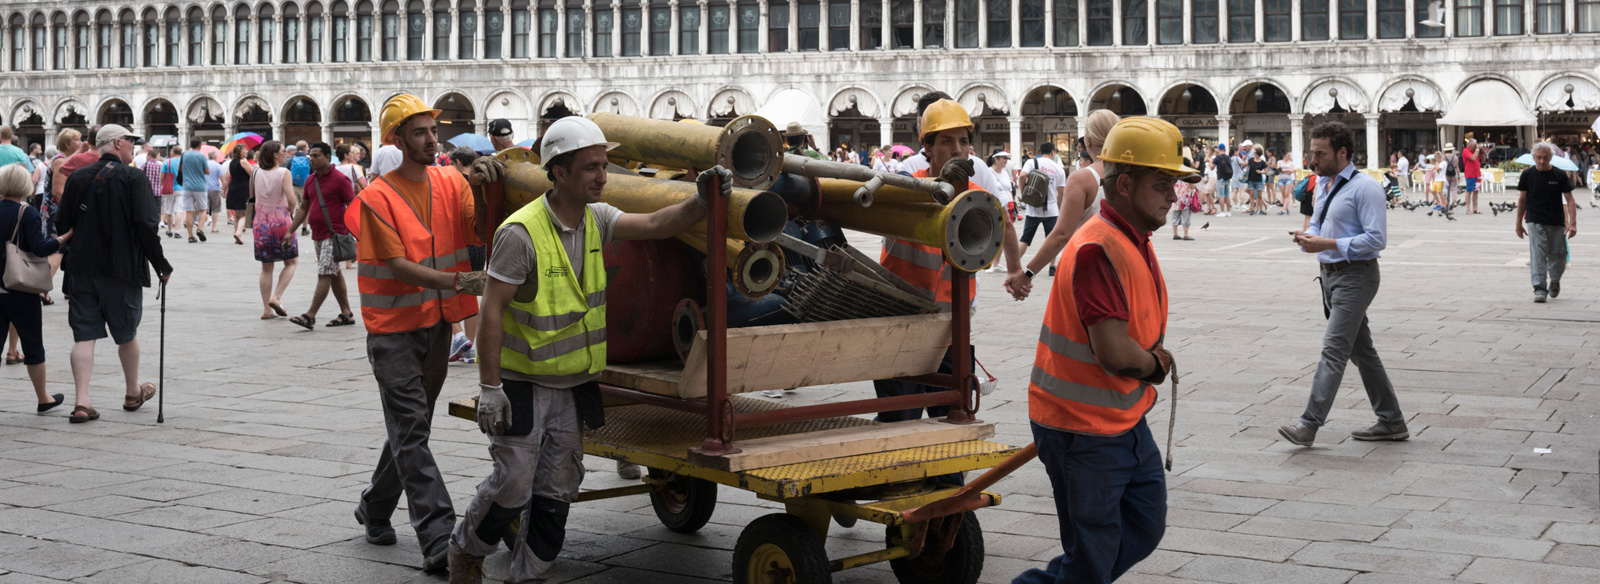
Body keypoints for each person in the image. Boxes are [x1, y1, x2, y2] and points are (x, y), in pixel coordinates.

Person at [447, 116, 723, 584]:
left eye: (604, 166)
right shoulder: (521, 232)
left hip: (574, 384)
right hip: (523, 383)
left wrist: (700, 199)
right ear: (559, 172)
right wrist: (490, 388)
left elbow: (657, 223)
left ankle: (529, 575)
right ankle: (466, 551)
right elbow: (491, 310)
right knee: (512, 486)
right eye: (591, 167)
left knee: (558, 491)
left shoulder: (598, 218)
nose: (602, 176)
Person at [1018, 117, 1196, 584]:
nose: (1173, 196)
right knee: (1092, 555)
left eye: (1173, 185)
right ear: (1126, 185)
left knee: (1143, 525)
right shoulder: (1099, 247)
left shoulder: (1131, 237)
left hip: (1122, 415)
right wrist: (1155, 364)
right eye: (1162, 185)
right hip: (1082, 426)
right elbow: (1114, 353)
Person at [345, 93, 495, 573]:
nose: (432, 140)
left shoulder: (451, 181)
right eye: (420, 133)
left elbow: (478, 227)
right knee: (411, 428)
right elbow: (398, 266)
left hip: (437, 325)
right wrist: (461, 282)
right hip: (392, 331)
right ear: (398, 141)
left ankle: (374, 506)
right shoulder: (377, 198)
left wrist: (489, 190)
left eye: (433, 131)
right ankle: (437, 536)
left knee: (410, 429)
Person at [871, 99, 1022, 426]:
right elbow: (884, 202)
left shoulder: (979, 197)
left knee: (953, 419)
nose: (957, 149)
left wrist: (1015, 269)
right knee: (900, 421)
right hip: (902, 323)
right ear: (927, 147)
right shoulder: (905, 184)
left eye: (963, 141)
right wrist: (938, 188)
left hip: (951, 329)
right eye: (946, 141)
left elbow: (1001, 227)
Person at [1278, 121, 1407, 447]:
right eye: (1312, 153)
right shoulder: (1323, 184)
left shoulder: (1366, 188)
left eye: (1320, 154)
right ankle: (1392, 420)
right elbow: (1320, 225)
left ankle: (1308, 424)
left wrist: (1328, 244)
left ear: (1342, 152)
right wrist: (1309, 237)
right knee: (1362, 352)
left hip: (1357, 275)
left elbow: (1376, 239)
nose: (1313, 160)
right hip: (1330, 276)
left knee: (1334, 350)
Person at [55, 124, 173, 424]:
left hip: (81, 268)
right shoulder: (133, 177)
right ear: (118, 143)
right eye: (131, 142)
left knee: (84, 334)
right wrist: (160, 264)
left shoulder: (77, 177)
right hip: (122, 268)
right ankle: (132, 392)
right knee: (126, 332)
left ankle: (82, 402)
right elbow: (146, 225)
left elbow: (62, 223)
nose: (134, 147)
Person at [1006, 110, 1119, 298]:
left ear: (1088, 141)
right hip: (1127, 264)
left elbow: (1062, 235)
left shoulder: (1082, 178)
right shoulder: (1131, 174)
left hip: (1091, 269)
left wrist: (1027, 274)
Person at [0, 164, 70, 414]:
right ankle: (43, 397)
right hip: (20, 289)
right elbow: (40, 248)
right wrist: (63, 238)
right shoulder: (26, 212)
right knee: (32, 345)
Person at [287, 142, 356, 329]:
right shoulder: (310, 180)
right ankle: (346, 313)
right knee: (334, 272)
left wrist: (356, 232)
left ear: (327, 157)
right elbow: (303, 208)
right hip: (318, 235)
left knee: (325, 272)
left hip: (334, 235)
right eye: (311, 156)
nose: (312, 159)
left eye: (316, 156)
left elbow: (353, 205)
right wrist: (290, 231)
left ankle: (310, 315)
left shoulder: (340, 180)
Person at [1515, 142, 1577, 303]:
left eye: (1545, 158)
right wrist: (1518, 224)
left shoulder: (1559, 175)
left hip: (1556, 221)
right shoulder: (1527, 175)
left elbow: (1570, 200)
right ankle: (1540, 288)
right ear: (1533, 157)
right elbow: (1522, 200)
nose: (1542, 161)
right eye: (1538, 157)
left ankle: (1555, 280)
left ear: (1551, 157)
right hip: (1534, 220)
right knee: (1538, 254)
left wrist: (1573, 223)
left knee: (1559, 254)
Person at [251, 141, 299, 320]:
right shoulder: (284, 173)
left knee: (266, 267)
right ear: (275, 155)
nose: (286, 153)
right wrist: (291, 212)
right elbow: (292, 199)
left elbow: (252, 197)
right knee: (291, 262)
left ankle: (266, 309)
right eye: (283, 151)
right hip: (281, 222)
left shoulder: (255, 172)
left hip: (261, 223)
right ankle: (276, 297)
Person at [447, 146, 485, 363]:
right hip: (478, 244)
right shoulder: (480, 180)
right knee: (470, 293)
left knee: (448, 290)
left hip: (458, 241)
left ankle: (458, 334)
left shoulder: (453, 182)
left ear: (459, 162)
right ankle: (469, 346)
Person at [1017, 142, 1067, 275]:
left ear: (1040, 152)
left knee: (1025, 239)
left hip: (1033, 208)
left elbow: (1022, 176)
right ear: (1053, 152)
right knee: (1052, 240)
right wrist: (1059, 209)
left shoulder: (1032, 162)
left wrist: (1023, 193)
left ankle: (1014, 265)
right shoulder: (1058, 169)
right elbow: (1061, 193)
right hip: (1051, 210)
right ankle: (1052, 267)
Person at [986, 149, 1016, 274]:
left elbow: (1009, 190)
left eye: (1007, 158)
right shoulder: (988, 172)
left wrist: (1013, 202)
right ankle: (991, 263)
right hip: (995, 208)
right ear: (996, 159)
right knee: (997, 235)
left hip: (1008, 208)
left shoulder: (1005, 172)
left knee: (1003, 236)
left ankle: (996, 263)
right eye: (1004, 158)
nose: (1006, 160)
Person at [176, 138, 211, 243]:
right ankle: (200, 229)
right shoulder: (202, 156)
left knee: (189, 211)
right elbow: (207, 171)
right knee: (203, 209)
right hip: (200, 187)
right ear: (200, 145)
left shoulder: (184, 154)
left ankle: (190, 236)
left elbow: (179, 169)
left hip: (186, 186)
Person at [226, 145, 256, 244]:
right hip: (243, 188)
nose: (247, 151)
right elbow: (253, 174)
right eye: (244, 150)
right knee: (245, 214)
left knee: (237, 215)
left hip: (233, 188)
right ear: (240, 152)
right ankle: (238, 233)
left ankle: (236, 235)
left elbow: (228, 176)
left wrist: (225, 189)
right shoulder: (243, 162)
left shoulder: (231, 162)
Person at [290, 142, 312, 236]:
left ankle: (293, 228)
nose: (308, 148)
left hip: (293, 185)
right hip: (305, 186)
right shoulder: (308, 159)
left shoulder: (292, 159)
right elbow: (312, 172)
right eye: (307, 147)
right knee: (305, 207)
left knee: (295, 207)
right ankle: (304, 228)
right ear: (304, 148)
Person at [205, 151, 226, 233]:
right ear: (215, 157)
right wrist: (224, 190)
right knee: (215, 209)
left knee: (204, 208)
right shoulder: (218, 166)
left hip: (204, 188)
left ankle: (201, 227)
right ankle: (213, 227)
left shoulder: (204, 165)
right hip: (215, 189)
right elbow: (222, 179)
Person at [1212, 143, 1233, 216]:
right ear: (1225, 149)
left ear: (1218, 149)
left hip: (1220, 178)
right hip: (1227, 178)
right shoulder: (1228, 157)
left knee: (1221, 196)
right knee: (1227, 196)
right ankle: (1228, 212)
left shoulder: (1217, 158)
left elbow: (1212, 167)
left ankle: (1222, 212)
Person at [1463, 139, 1483, 214]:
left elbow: (1483, 159)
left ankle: (1475, 208)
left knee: (1476, 191)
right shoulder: (1465, 151)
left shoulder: (1476, 151)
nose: (1476, 145)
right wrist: (1477, 149)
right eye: (1475, 144)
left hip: (1477, 174)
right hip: (1470, 174)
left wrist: (1482, 151)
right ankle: (1468, 209)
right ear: (1471, 145)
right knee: (1469, 191)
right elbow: (1473, 158)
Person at [1442, 142, 1460, 207]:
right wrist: (1458, 175)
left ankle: (1447, 202)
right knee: (1454, 188)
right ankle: (1454, 202)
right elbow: (1457, 167)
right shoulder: (1455, 157)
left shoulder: (1443, 157)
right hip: (1454, 173)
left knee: (1447, 188)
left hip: (1446, 174)